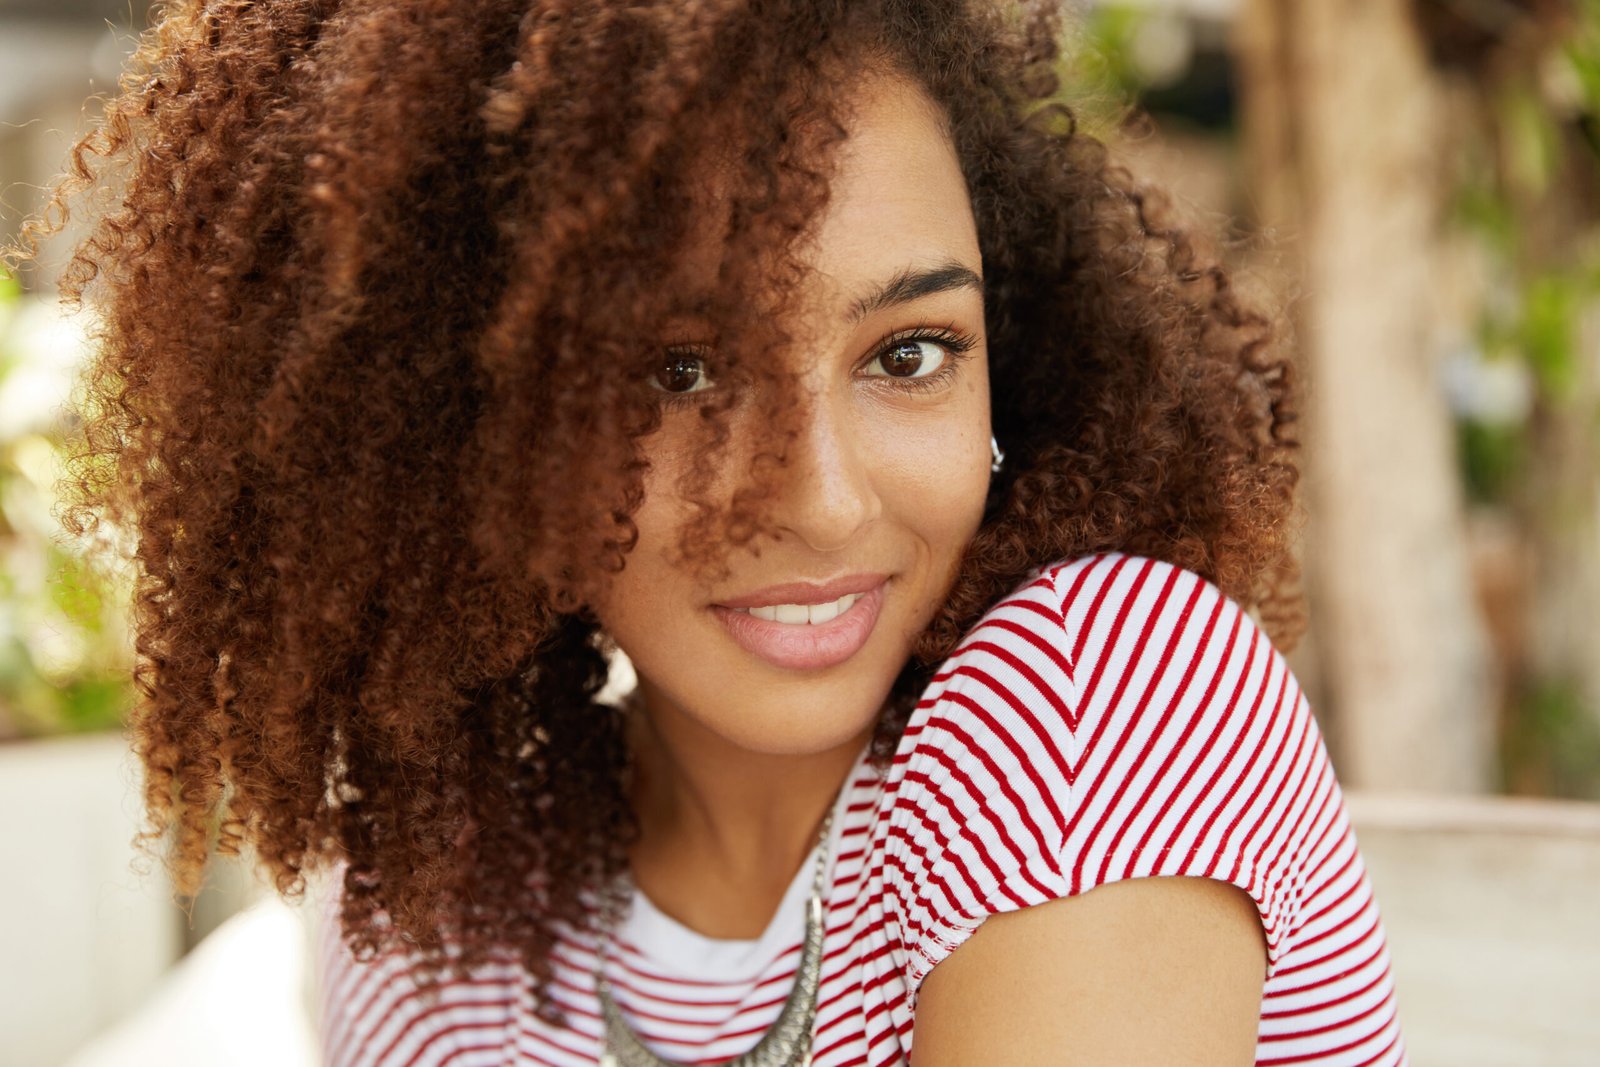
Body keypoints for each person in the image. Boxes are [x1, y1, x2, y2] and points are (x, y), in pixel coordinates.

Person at [17, 0, 1405, 1063]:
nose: (818, 497)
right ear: (464, 420)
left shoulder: (1108, 699)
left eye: (909, 352)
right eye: (676, 372)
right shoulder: (433, 934)